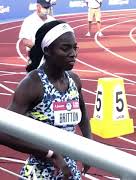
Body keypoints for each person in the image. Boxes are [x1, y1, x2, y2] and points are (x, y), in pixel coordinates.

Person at [9, 20, 92, 179]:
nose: (73, 53)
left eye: (75, 48)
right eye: (65, 48)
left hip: (69, 170)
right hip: (40, 173)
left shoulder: (74, 80)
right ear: (47, 51)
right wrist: (50, 154)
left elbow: (83, 117)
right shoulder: (32, 85)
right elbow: (3, 131)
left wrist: (90, 148)